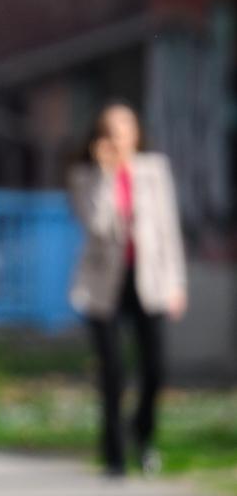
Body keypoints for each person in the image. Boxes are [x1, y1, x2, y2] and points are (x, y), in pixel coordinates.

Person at [68, 101, 187, 478]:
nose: (119, 138)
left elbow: (168, 230)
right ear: (100, 137)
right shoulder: (84, 176)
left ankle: (143, 434)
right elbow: (98, 226)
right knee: (113, 372)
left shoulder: (154, 171)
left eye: (126, 129)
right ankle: (115, 455)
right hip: (104, 286)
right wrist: (106, 175)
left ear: (136, 133)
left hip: (148, 281)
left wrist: (176, 284)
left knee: (155, 368)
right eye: (111, 131)